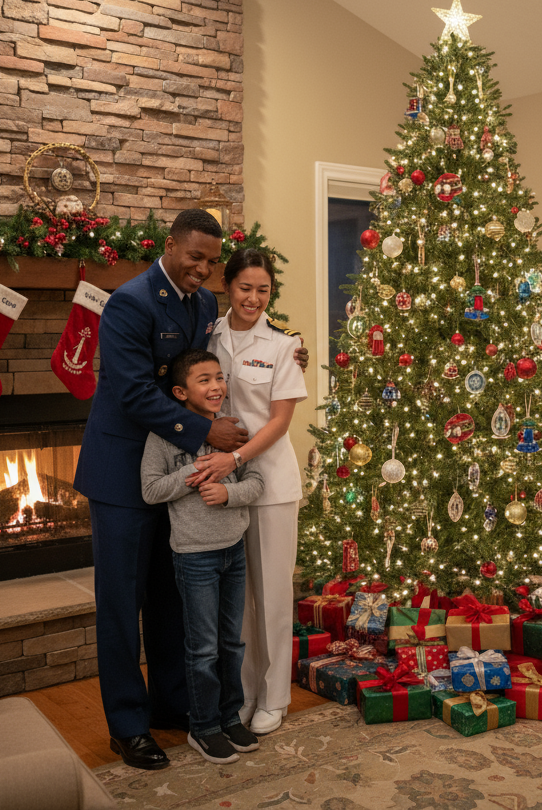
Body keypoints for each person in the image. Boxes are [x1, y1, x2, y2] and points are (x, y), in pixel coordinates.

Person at [73, 209, 306, 770]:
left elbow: (232, 352)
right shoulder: (128, 301)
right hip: (123, 473)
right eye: (194, 256)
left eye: (210, 261)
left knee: (172, 597)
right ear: (170, 245)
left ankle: (176, 704)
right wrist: (207, 430)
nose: (202, 268)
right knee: (121, 605)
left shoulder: (204, 305)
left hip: (179, 478)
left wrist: (290, 349)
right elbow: (133, 393)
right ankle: (128, 726)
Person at [191, 249, 307, 736]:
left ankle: (274, 697)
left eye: (263, 289)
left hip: (270, 485)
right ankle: (240, 695)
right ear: (227, 286)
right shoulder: (208, 336)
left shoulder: (283, 346)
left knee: (273, 597)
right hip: (221, 486)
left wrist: (235, 458)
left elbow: (280, 421)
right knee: (234, 603)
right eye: (245, 288)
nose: (253, 298)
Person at [141, 350, 265, 765]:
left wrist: (229, 493)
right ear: (180, 392)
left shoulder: (234, 430)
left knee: (232, 642)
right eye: (203, 380)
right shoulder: (163, 438)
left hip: (234, 551)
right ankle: (204, 726)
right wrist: (193, 473)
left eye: (219, 378)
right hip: (193, 557)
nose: (215, 387)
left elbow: (257, 482)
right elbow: (151, 490)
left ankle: (230, 716)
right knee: (203, 647)